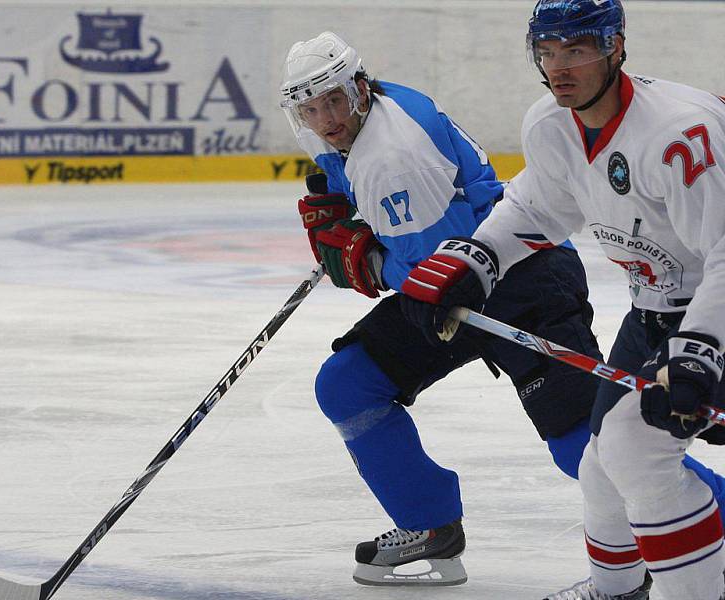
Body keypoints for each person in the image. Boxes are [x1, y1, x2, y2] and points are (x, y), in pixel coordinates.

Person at [278, 30, 725, 589]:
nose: (325, 119)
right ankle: (429, 525)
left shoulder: (392, 157)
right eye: (310, 108)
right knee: (348, 385)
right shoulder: (368, 116)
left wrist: (363, 262)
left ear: (359, 88)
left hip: (521, 284)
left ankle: (716, 520)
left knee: (594, 452)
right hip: (468, 279)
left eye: (334, 102)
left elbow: (427, 273)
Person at [399, 1, 725, 598]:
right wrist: (474, 260)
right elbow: (537, 207)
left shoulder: (680, 133)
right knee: (602, 469)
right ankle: (616, 592)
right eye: (547, 52)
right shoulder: (551, 124)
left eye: (575, 50)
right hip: (656, 306)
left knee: (635, 452)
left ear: (615, 47)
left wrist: (703, 352)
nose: (559, 68)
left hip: (713, 307)